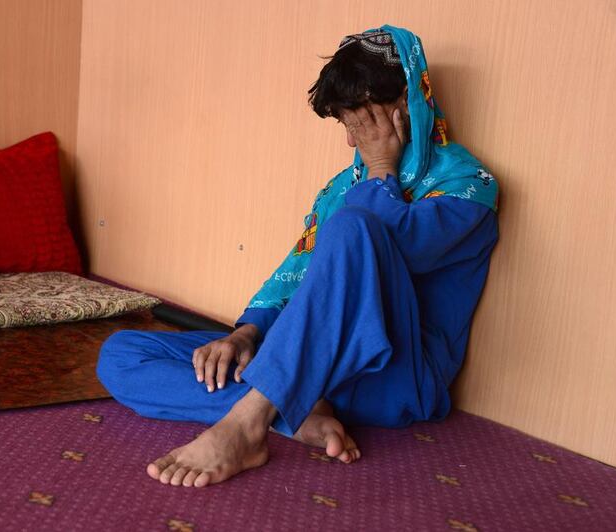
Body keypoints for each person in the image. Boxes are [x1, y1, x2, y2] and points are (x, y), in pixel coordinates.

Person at [97, 25, 499, 488]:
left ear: (407, 106)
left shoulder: (469, 188)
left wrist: (383, 172)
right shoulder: (341, 189)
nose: (354, 144)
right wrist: (247, 334)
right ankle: (295, 414)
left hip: (394, 379)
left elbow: (401, 246)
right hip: (314, 368)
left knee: (352, 226)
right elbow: (299, 276)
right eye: (348, 128)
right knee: (122, 354)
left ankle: (247, 424)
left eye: (362, 124)